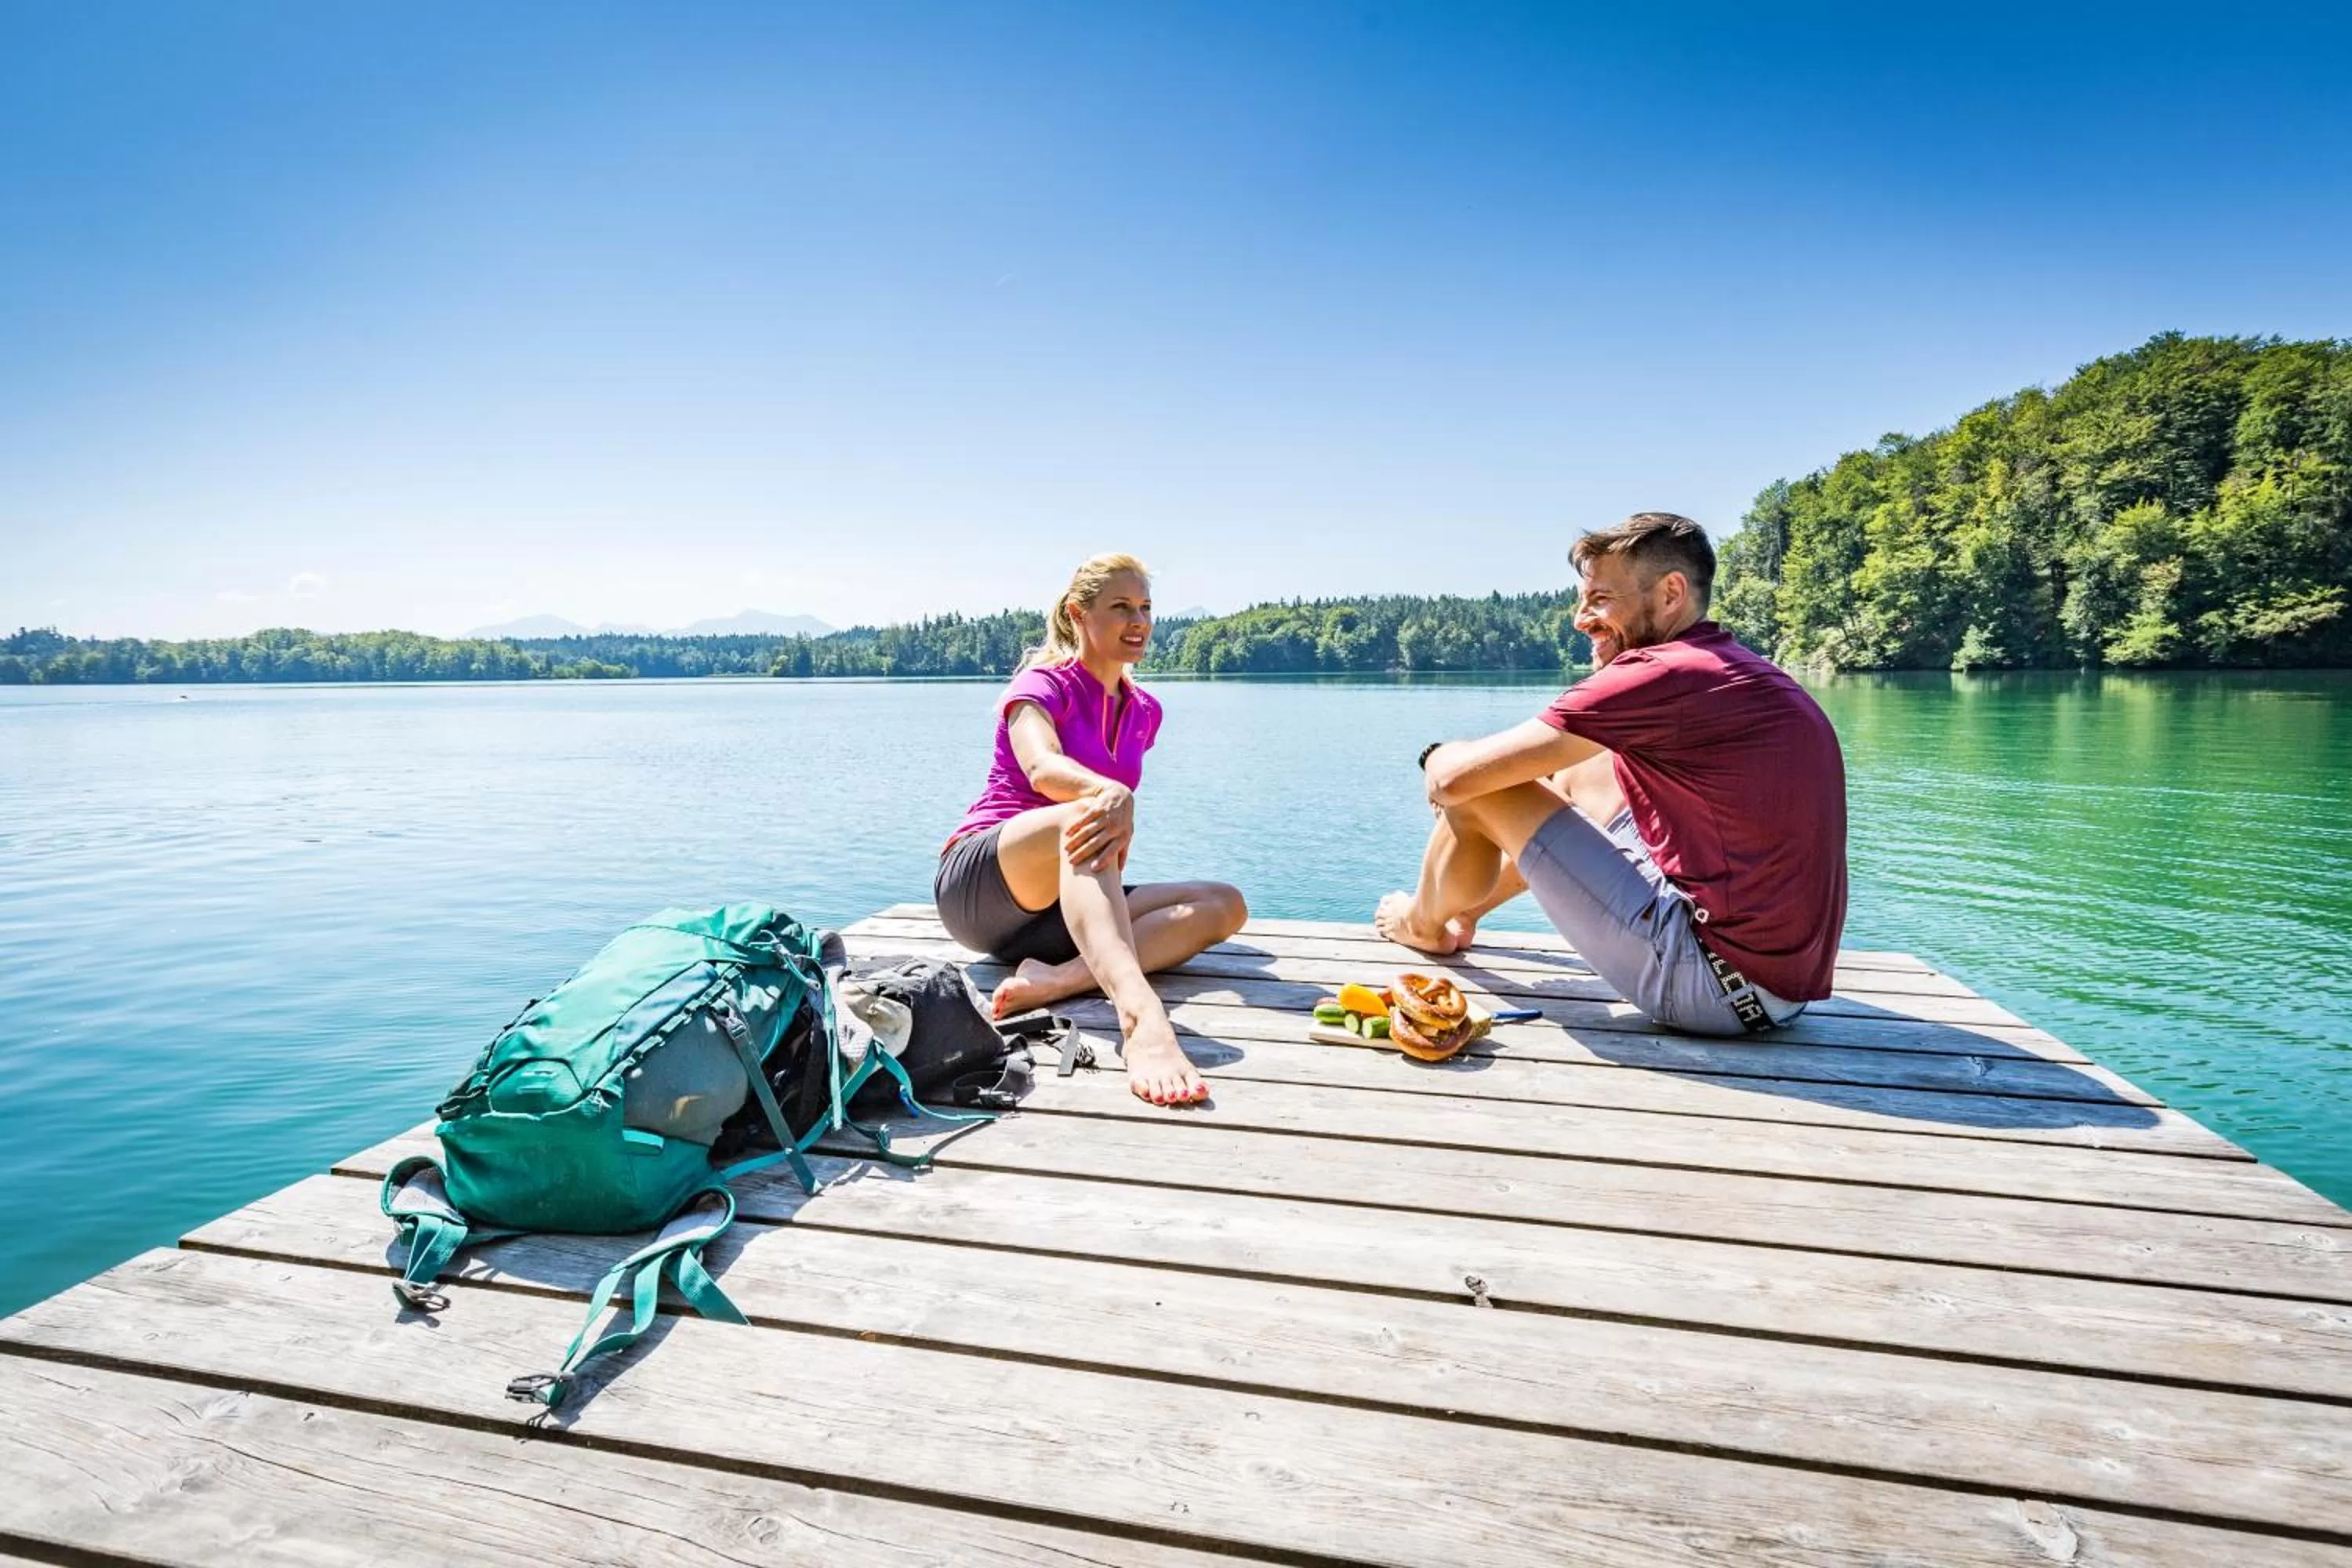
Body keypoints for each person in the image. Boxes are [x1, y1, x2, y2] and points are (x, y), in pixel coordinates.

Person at [1374, 513, 1847, 1034]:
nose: (1582, 620)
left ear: (1671, 593)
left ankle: (1421, 924)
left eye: (1600, 600)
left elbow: (1453, 782)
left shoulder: (1660, 672)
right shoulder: (1727, 666)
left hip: (1713, 988)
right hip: (1775, 990)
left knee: (1478, 790)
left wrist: (1440, 753)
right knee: (1581, 766)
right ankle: (1466, 913)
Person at [935, 553, 1247, 1105]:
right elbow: (1041, 767)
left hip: (1062, 910)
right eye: (1121, 607)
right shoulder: (1042, 685)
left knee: (1224, 904)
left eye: (1146, 607)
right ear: (1078, 615)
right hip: (983, 888)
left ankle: (1059, 979)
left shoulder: (1145, 711)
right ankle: (1140, 1016)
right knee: (1087, 813)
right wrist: (1109, 794)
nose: (1139, 621)